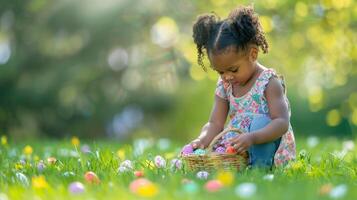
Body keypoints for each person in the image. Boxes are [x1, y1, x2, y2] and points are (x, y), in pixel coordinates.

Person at [186, 5, 296, 168]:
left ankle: (260, 169)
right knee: (222, 141)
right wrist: (202, 140)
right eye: (220, 72)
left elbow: (281, 122)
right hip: (239, 145)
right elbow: (215, 123)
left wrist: (253, 138)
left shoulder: (268, 82)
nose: (226, 76)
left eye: (233, 70)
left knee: (261, 122)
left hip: (268, 146)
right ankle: (238, 166)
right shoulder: (225, 85)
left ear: (253, 54)